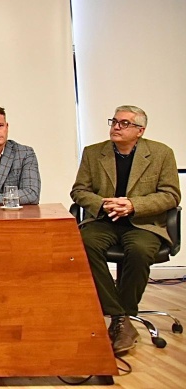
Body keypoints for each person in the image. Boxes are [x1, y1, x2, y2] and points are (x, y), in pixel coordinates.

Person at [71, 105, 180, 355]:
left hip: (143, 223)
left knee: (140, 250)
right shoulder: (93, 153)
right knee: (83, 244)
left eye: (124, 123)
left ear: (140, 130)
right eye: (114, 122)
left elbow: (171, 195)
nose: (116, 127)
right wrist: (102, 203)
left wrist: (133, 205)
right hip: (103, 221)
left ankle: (123, 316)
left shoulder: (161, 153)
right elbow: (79, 190)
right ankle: (120, 316)